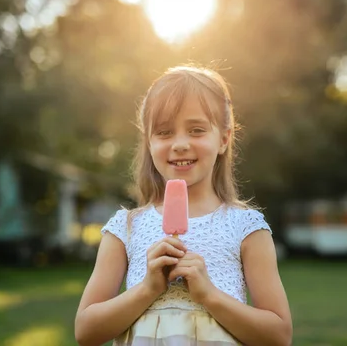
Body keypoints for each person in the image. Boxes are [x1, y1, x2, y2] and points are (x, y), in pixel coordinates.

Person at [74, 66, 293, 346]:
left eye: (197, 130)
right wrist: (148, 289)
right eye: (164, 132)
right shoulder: (126, 228)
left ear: (224, 139)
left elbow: (279, 336)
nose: (179, 144)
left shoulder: (246, 228)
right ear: (149, 142)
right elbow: (86, 331)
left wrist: (208, 295)